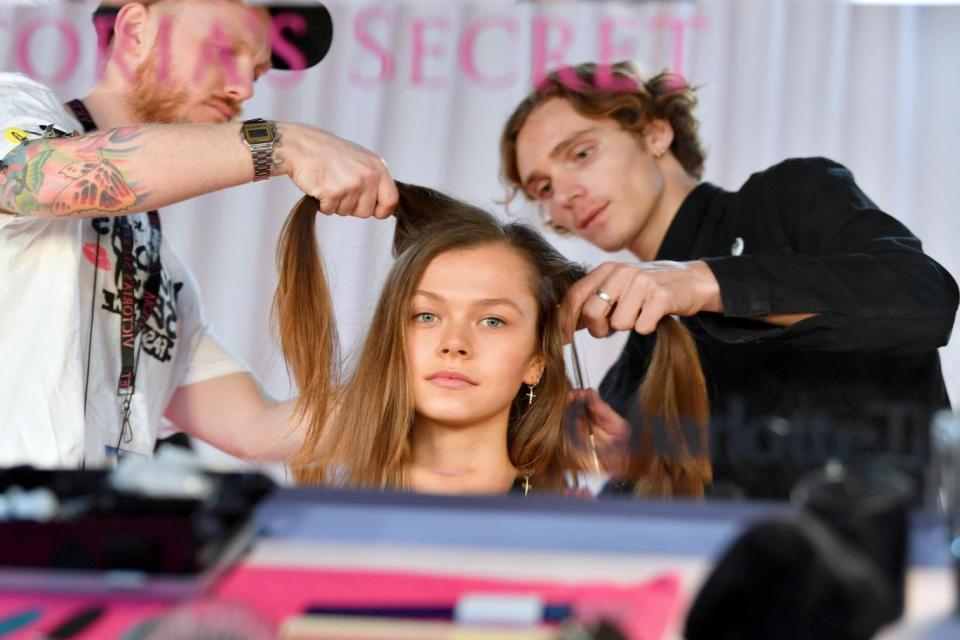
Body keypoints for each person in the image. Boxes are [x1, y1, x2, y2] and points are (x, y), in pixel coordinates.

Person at [499, 61, 959, 499]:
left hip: (892, 567)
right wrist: (638, 462)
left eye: (581, 153)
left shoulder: (789, 199)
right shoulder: (636, 368)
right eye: (544, 189)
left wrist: (702, 282)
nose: (565, 195)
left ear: (656, 132)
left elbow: (925, 296)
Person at [0, 0, 398, 468]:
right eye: (224, 52)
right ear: (133, 30)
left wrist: (430, 395)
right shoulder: (17, 105)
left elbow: (259, 426)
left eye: (259, 71)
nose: (243, 88)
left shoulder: (163, 275)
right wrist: (285, 142)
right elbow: (36, 177)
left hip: (71, 533)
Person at [273, 183, 712, 496]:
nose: (454, 343)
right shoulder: (313, 511)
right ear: (393, 339)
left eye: (492, 321)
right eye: (426, 315)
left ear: (536, 360)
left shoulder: (574, 534)